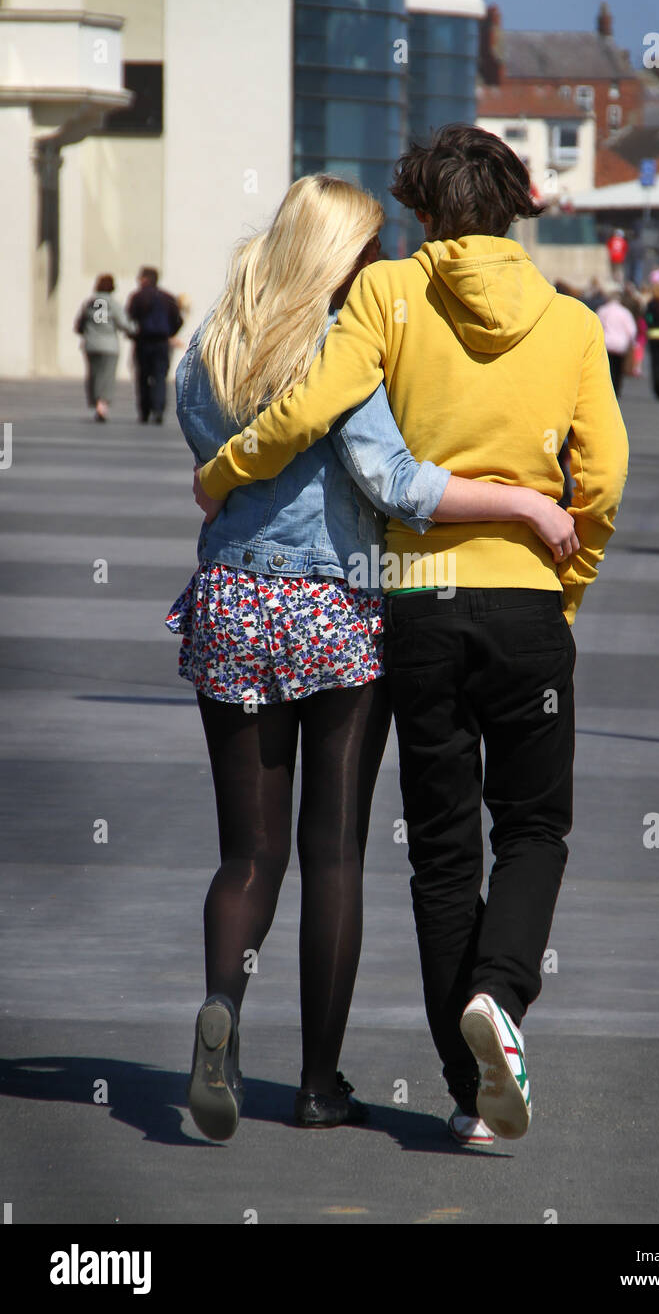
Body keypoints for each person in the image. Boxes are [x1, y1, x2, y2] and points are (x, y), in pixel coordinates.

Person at [192, 124, 629, 1142]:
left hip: (408, 601)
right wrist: (564, 584)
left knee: (435, 853)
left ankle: (456, 1075)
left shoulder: (386, 299)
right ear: (520, 202)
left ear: (425, 211)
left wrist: (225, 470)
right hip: (512, 604)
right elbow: (599, 479)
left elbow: (313, 407)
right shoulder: (568, 324)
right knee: (527, 830)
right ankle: (490, 1011)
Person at [73, 274, 135, 422]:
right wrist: (134, 330)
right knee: (107, 376)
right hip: (110, 346)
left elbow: (79, 325)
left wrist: (88, 332)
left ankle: (95, 402)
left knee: (93, 375)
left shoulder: (89, 303)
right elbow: (124, 324)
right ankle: (102, 405)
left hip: (91, 345)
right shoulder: (113, 303)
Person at [127, 266, 184, 424]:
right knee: (160, 376)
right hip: (161, 342)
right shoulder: (167, 298)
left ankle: (144, 411)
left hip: (143, 341)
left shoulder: (138, 297)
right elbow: (178, 320)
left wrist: (133, 333)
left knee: (143, 377)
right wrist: (170, 333)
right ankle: (158, 410)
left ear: (145, 279)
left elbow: (130, 318)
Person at [597, 287, 638, 398]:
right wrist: (632, 342)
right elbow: (631, 330)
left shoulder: (602, 310)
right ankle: (617, 388)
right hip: (620, 344)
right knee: (619, 368)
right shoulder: (624, 312)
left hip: (607, 342)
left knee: (608, 367)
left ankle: (609, 388)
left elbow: (597, 326)